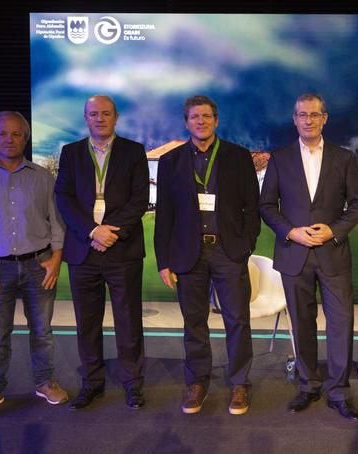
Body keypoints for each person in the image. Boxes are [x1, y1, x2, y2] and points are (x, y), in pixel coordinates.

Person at [259, 93, 358, 421]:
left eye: (314, 114)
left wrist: (333, 230)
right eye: (302, 115)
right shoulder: (280, 158)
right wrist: (291, 232)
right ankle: (308, 385)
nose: (308, 120)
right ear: (295, 119)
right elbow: (267, 206)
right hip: (294, 254)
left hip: (333, 253)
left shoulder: (344, 158)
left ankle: (339, 391)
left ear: (324, 118)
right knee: (302, 323)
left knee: (341, 324)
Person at [0, 111, 68, 417]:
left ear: (25, 138)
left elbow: (57, 222)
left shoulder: (43, 177)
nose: (10, 139)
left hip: (38, 265)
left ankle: (45, 382)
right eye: (3, 133)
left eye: (16, 134)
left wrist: (56, 259)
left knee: (42, 331)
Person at [154, 95, 260, 415]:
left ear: (216, 120)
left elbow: (252, 206)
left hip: (228, 252)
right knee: (194, 322)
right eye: (194, 117)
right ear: (186, 122)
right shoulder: (171, 161)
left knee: (237, 320)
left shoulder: (237, 157)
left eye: (206, 116)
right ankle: (197, 382)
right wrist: (164, 260)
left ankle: (239, 383)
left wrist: (247, 244)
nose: (201, 121)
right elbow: (164, 214)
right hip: (189, 254)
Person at [55, 95, 149, 410]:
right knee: (87, 323)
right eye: (94, 114)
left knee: (129, 321)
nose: (100, 119)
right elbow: (64, 198)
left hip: (123, 250)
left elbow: (139, 199)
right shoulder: (71, 153)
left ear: (115, 117)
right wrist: (92, 231)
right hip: (84, 250)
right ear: (86, 118)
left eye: (106, 113)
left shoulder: (133, 151)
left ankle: (133, 384)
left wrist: (111, 232)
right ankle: (92, 384)